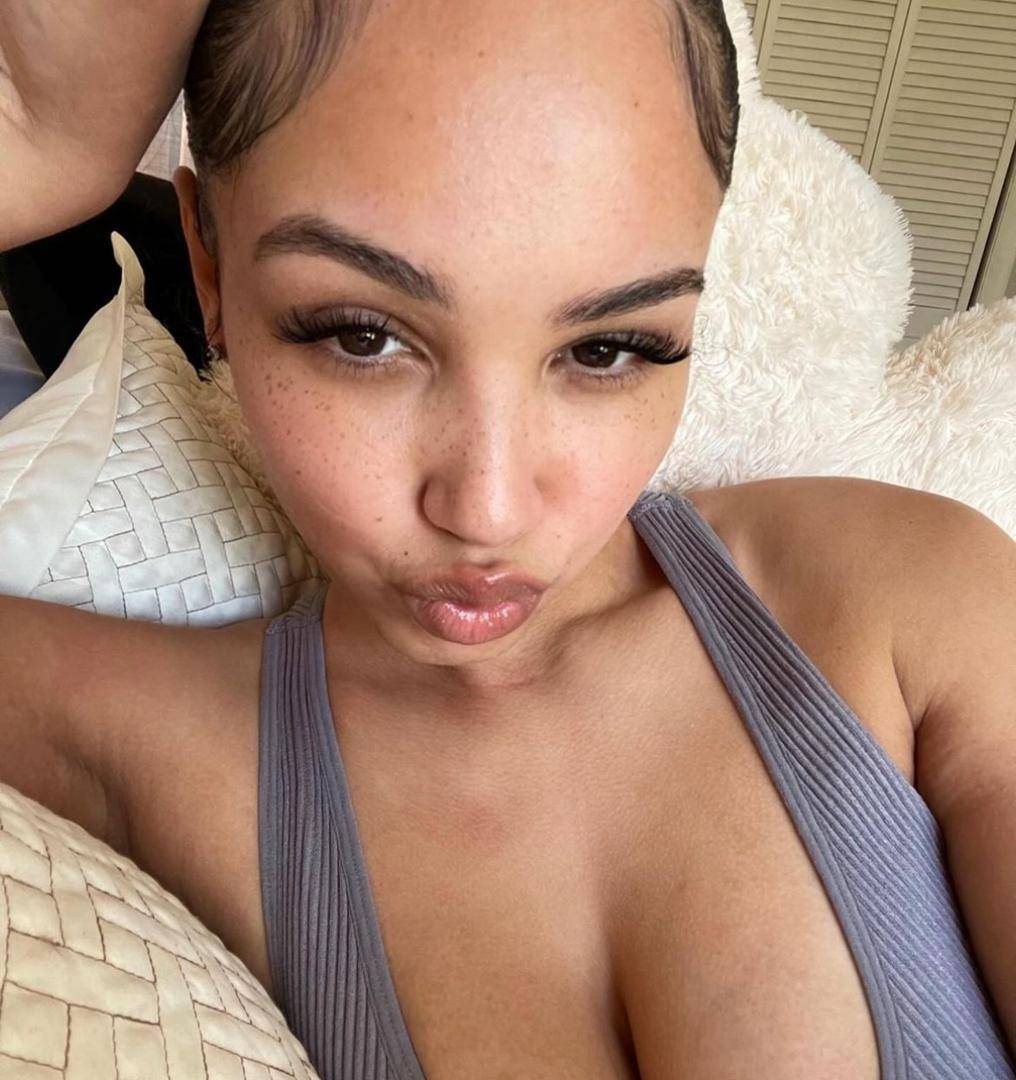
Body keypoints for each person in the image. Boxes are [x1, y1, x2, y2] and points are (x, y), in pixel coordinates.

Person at [2, 3, 1016, 1078]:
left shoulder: (903, 603)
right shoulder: (157, 737)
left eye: (610, 348)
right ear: (209, 270)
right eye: (363, 336)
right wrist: (33, 143)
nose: (487, 510)